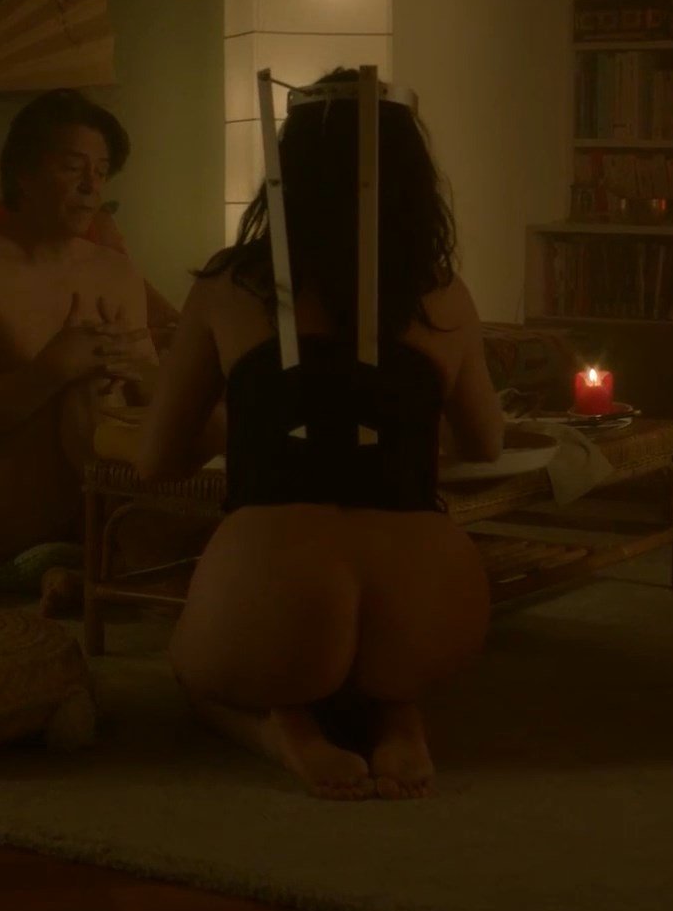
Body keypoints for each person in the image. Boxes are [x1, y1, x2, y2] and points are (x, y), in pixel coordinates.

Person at [134, 69, 505, 800]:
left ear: (287, 172)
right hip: (430, 605)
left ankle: (283, 730)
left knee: (189, 668)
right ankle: (398, 715)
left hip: (273, 589)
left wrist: (251, 421)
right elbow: (486, 443)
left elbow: (156, 459)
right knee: (383, 666)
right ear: (410, 177)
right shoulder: (444, 295)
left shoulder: (226, 287)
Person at [0, 90, 183, 561]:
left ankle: (131, 539)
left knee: (141, 393)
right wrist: (53, 369)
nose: (90, 186)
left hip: (89, 491)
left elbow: (150, 402)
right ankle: (137, 547)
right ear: (23, 174)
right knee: (83, 386)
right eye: (72, 167)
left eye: (101, 171)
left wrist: (138, 369)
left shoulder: (116, 271)